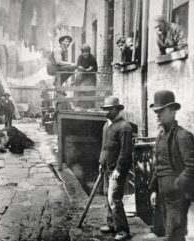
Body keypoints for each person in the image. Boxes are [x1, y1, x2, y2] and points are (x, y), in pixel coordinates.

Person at [149, 90, 194, 241]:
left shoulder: (183, 136)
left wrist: (176, 186)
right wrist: (154, 189)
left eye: (161, 111)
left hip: (177, 198)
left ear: (172, 112)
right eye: (156, 112)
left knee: (174, 236)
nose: (157, 115)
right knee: (169, 234)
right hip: (162, 195)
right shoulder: (160, 136)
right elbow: (158, 166)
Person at [98, 96, 132, 241]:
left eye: (109, 109)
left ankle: (123, 231)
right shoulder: (107, 125)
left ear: (117, 109)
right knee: (107, 195)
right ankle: (111, 224)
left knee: (114, 199)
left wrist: (118, 169)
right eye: (105, 109)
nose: (107, 111)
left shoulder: (125, 127)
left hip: (117, 169)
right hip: (107, 167)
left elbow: (125, 151)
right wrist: (101, 162)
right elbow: (104, 147)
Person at [76, 44, 98, 108]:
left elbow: (96, 68)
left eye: (87, 52)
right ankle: (78, 104)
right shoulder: (80, 57)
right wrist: (81, 68)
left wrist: (91, 68)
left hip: (90, 76)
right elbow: (78, 66)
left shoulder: (92, 58)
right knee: (79, 86)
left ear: (89, 52)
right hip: (82, 75)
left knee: (90, 90)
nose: (86, 54)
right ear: (82, 52)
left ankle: (91, 105)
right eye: (84, 52)